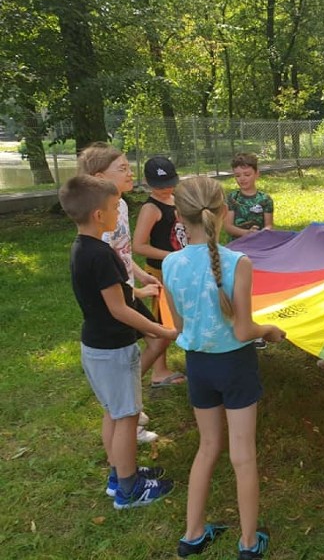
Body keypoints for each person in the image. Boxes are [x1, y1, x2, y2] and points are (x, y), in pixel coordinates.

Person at [162, 176, 285, 560]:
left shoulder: (169, 263)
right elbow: (245, 329)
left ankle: (192, 534)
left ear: (179, 218)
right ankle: (248, 543)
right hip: (235, 366)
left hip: (197, 366)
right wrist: (270, 330)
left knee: (207, 447)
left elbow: (180, 327)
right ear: (222, 212)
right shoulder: (239, 262)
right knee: (242, 454)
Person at [58, 175, 177, 508]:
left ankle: (118, 475)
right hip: (113, 349)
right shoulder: (101, 254)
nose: (117, 212)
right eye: (113, 208)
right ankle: (129, 489)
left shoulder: (81, 248)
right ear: (99, 215)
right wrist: (160, 331)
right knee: (126, 417)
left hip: (95, 346)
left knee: (113, 412)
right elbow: (119, 309)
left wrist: (139, 292)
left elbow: (115, 299)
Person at [77, 143, 176, 441]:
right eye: (121, 169)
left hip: (128, 288)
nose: (130, 172)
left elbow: (122, 252)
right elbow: (106, 261)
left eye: (128, 166)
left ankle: (128, 402)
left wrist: (143, 276)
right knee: (157, 338)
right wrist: (134, 290)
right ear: (98, 177)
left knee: (156, 343)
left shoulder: (119, 205)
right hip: (115, 297)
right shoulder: (100, 215)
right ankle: (124, 411)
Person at [132, 156, 188, 388]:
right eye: (160, 185)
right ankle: (158, 372)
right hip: (159, 273)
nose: (166, 188)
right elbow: (138, 245)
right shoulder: (151, 208)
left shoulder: (174, 200)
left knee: (178, 316)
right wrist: (172, 256)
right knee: (163, 323)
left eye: (170, 183)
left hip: (179, 269)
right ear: (147, 182)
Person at [224, 152, 274, 242]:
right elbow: (228, 227)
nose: (242, 178)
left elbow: (269, 225)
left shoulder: (265, 199)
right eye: (238, 175)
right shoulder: (232, 198)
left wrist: (264, 232)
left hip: (259, 243)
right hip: (236, 246)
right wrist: (247, 233)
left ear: (257, 174)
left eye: (247, 175)